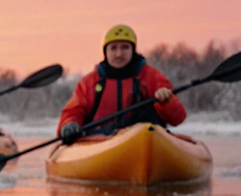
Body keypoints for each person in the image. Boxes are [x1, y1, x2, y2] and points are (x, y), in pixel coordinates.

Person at [57, 25, 186, 144]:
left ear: (133, 50)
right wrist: (70, 124)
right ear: (105, 52)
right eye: (113, 48)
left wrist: (167, 102)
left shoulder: (152, 77)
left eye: (125, 47)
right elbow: (73, 111)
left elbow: (178, 118)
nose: (119, 54)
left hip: (145, 140)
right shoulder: (89, 83)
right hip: (99, 143)